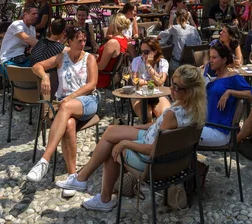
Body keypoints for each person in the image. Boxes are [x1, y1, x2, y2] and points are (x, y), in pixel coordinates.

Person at [55, 64, 207, 212]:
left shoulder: (172, 115)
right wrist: (149, 125)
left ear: (190, 92)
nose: (172, 89)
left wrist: (126, 144)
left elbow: (153, 150)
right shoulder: (196, 110)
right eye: (172, 84)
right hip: (173, 158)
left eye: (176, 87)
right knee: (110, 131)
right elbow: (167, 130)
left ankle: (101, 197)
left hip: (152, 162)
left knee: (113, 149)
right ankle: (82, 179)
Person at [26, 26, 99, 186]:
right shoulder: (61, 57)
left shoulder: (89, 58)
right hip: (65, 106)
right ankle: (72, 176)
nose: (83, 43)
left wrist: (70, 98)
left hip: (86, 102)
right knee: (69, 124)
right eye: (79, 40)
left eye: (84, 40)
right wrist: (45, 76)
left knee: (65, 106)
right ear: (69, 42)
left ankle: (44, 160)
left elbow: (92, 84)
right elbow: (36, 66)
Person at [199, 43, 252, 147]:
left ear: (224, 60)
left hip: (219, 131)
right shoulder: (214, 79)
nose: (210, 60)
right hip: (207, 126)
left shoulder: (232, 77)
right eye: (210, 57)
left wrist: (230, 92)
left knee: (183, 137)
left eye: (214, 57)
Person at [130, 38, 170, 121]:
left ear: (154, 52)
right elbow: (135, 82)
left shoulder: (163, 62)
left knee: (165, 116)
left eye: (146, 52)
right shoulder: (137, 61)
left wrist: (148, 65)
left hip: (158, 94)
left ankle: (158, 133)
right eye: (141, 51)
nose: (142, 55)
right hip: (139, 95)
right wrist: (152, 82)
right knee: (147, 117)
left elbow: (160, 81)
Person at [0, 6, 38, 76]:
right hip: (7, 61)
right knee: (29, 76)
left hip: (22, 59)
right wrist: (46, 45)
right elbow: (27, 39)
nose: (36, 16)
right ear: (25, 14)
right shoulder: (17, 24)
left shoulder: (32, 29)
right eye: (33, 14)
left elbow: (33, 46)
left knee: (41, 69)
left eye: (37, 14)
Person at [97, 14, 129, 89]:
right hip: (113, 74)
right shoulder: (123, 39)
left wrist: (89, 61)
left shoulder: (113, 43)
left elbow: (101, 66)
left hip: (103, 76)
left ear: (113, 25)